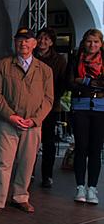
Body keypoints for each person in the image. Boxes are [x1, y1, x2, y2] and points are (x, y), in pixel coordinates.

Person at [0, 27, 53, 216]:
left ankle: (21, 197)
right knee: (3, 162)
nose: (23, 43)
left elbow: (48, 99)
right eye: (19, 40)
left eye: (27, 40)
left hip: (32, 125)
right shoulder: (3, 65)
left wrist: (35, 120)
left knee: (27, 163)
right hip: (8, 123)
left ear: (34, 43)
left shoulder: (45, 70)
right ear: (15, 42)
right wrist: (10, 116)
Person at [68, 28, 104, 204]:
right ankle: (80, 187)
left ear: (101, 44)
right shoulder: (76, 59)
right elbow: (69, 81)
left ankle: (92, 188)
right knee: (81, 147)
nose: (92, 45)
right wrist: (90, 84)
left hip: (100, 108)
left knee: (96, 150)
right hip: (80, 107)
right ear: (85, 42)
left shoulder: (103, 60)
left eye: (96, 42)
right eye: (90, 41)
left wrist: (85, 81)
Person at [34, 27, 67, 188]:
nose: (42, 41)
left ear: (52, 42)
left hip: (51, 106)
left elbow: (62, 83)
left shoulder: (59, 60)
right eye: (40, 38)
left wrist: (51, 99)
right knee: (31, 141)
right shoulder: (31, 56)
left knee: (48, 142)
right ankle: (29, 172)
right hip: (31, 105)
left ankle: (47, 175)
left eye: (46, 39)